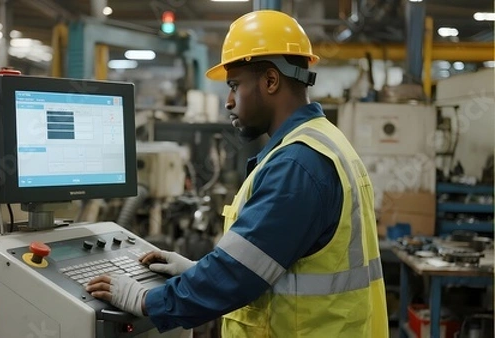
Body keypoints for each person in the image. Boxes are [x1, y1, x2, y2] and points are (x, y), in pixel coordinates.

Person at [87, 10, 389, 337]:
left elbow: (236, 275)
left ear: (271, 81)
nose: (229, 102)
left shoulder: (297, 164)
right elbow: (265, 263)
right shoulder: (324, 140)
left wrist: (145, 299)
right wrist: (195, 272)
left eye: (235, 86)